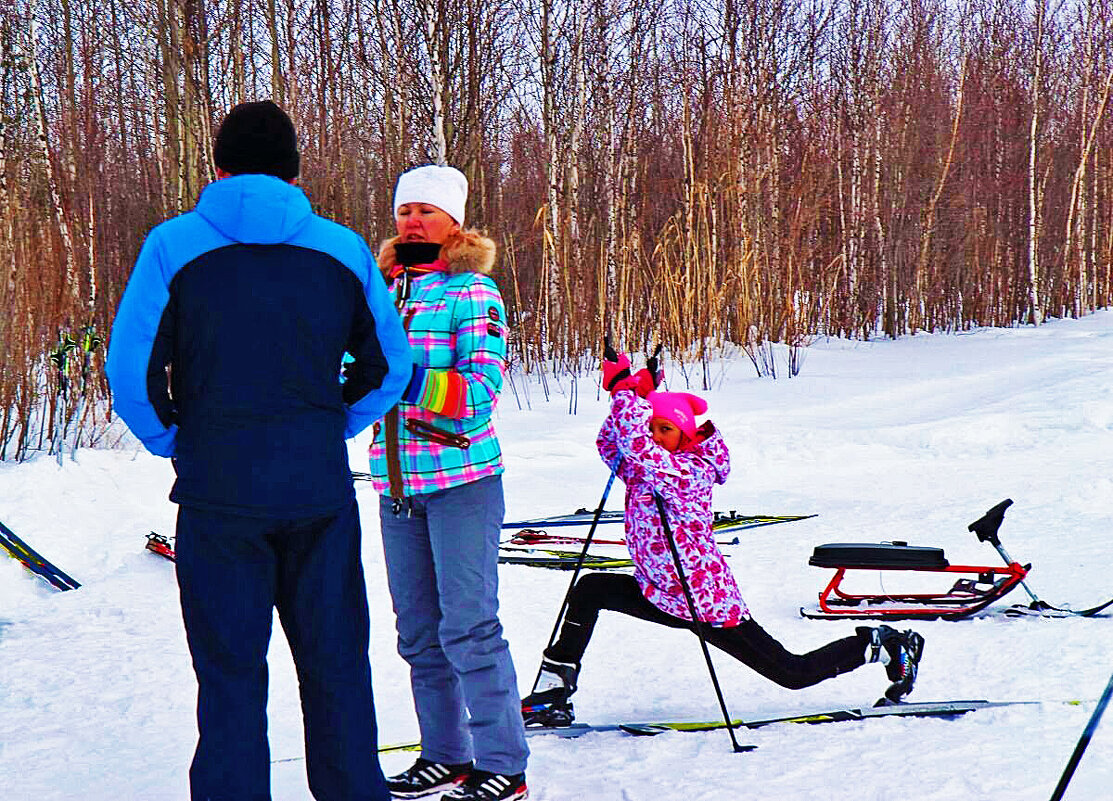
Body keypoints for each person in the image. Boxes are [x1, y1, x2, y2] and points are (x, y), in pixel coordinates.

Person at [105, 100, 412, 801]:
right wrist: (331, 425)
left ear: (218, 168)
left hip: (218, 497)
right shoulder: (342, 249)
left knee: (230, 678)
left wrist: (176, 439)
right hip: (316, 493)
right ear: (296, 170)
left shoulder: (171, 245)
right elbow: (390, 367)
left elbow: (130, 375)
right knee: (336, 671)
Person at [520, 351, 925, 727]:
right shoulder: (646, 469)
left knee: (791, 673)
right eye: (652, 428)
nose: (656, 436)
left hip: (704, 602)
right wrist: (636, 394)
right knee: (591, 589)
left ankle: (884, 645)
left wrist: (626, 394)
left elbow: (640, 449)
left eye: (665, 429)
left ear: (686, 436)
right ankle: (552, 694)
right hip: (659, 591)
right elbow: (614, 445)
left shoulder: (686, 473)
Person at [367, 165, 528, 801]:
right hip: (397, 487)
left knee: (469, 627)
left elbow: (479, 394)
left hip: (462, 483)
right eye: (405, 211)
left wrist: (402, 379)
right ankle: (445, 755)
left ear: (453, 222)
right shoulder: (379, 293)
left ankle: (502, 763)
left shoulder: (473, 293)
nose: (412, 222)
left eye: (426, 212)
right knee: (418, 633)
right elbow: (355, 370)